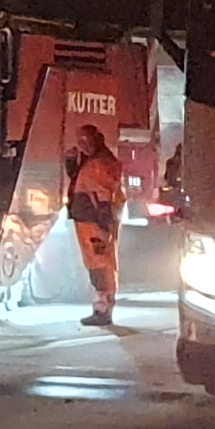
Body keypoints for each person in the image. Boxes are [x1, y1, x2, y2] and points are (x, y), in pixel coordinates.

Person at [63, 113, 126, 328]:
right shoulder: (95, 161)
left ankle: (103, 309)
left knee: (100, 265)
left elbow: (102, 196)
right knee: (98, 264)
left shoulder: (100, 164)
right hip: (89, 221)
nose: (82, 146)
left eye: (84, 141)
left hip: (94, 223)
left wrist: (102, 222)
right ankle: (101, 307)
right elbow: (80, 182)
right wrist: (72, 162)